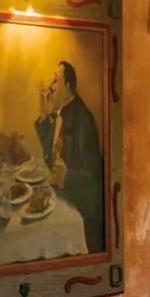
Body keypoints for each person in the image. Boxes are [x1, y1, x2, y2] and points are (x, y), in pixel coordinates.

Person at [35, 60, 104, 253]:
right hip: (63, 196)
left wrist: (67, 176)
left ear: (67, 87)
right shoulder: (60, 114)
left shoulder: (83, 120)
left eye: (55, 81)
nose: (50, 86)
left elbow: (94, 176)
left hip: (81, 211)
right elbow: (50, 157)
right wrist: (44, 116)